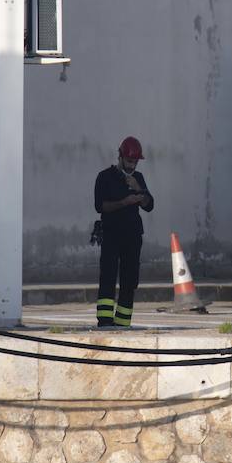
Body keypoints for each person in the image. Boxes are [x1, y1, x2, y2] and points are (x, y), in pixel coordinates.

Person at [93, 136, 154, 327]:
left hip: (132, 236)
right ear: (120, 156)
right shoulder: (104, 177)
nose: (131, 166)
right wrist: (123, 203)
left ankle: (123, 322)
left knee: (130, 280)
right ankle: (104, 321)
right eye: (129, 161)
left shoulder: (138, 178)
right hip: (111, 234)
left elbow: (149, 205)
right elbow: (100, 206)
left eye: (135, 162)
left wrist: (140, 190)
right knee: (108, 277)